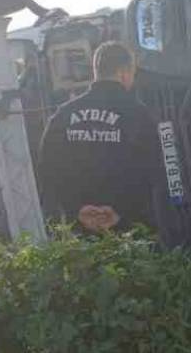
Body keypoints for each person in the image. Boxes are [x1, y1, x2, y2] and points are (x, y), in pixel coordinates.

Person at [38, 41, 161, 234]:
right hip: (130, 232)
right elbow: (156, 171)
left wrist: (77, 209)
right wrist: (120, 211)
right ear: (125, 72)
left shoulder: (62, 116)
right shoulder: (141, 116)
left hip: (80, 232)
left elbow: (48, 169)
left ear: (96, 71)